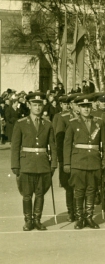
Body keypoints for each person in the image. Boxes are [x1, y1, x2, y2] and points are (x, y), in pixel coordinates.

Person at [11, 92, 57, 231]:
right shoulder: (21, 124)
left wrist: (53, 163)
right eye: (34, 105)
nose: (37, 108)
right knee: (27, 194)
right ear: (29, 105)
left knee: (40, 193)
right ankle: (28, 221)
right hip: (27, 164)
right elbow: (15, 146)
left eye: (40, 105)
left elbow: (52, 146)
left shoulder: (47, 124)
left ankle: (37, 220)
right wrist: (15, 165)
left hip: (42, 164)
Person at [63, 94, 105, 229]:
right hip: (78, 161)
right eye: (83, 107)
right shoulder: (72, 123)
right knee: (79, 190)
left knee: (91, 190)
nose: (86, 110)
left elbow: (104, 143)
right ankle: (79, 218)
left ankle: (89, 217)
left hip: (94, 161)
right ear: (78, 108)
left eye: (88, 107)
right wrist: (67, 163)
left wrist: (104, 159)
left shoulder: (99, 122)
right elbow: (67, 145)